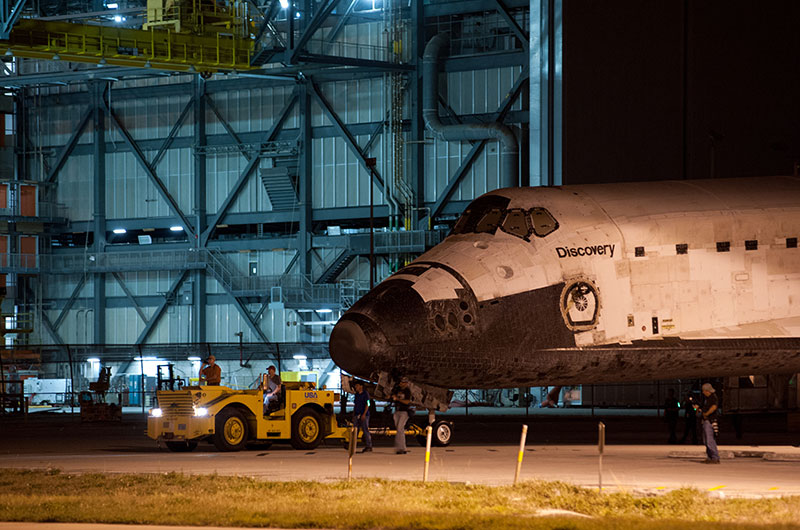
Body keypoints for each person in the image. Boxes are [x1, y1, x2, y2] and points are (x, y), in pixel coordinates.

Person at [697, 383, 720, 464]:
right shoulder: (707, 398)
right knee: (706, 440)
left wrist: (706, 414)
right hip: (706, 420)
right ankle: (710, 457)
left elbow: (714, 407)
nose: (703, 392)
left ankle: (715, 457)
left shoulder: (713, 397)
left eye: (704, 391)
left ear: (707, 391)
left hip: (710, 420)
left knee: (709, 440)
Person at [391, 377, 412, 454]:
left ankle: (402, 448)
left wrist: (398, 399)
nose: (401, 384)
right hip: (397, 410)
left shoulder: (407, 391)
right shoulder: (397, 390)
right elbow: (393, 395)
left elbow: (407, 401)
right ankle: (399, 447)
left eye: (402, 382)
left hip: (404, 411)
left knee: (400, 428)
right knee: (399, 430)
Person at [352, 380, 373, 453]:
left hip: (364, 415)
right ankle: (353, 445)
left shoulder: (365, 394)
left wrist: (364, 414)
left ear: (361, 386)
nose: (356, 387)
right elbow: (355, 404)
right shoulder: (357, 394)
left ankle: (369, 446)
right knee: (355, 430)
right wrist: (354, 414)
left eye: (357, 386)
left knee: (365, 430)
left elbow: (368, 404)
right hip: (357, 414)